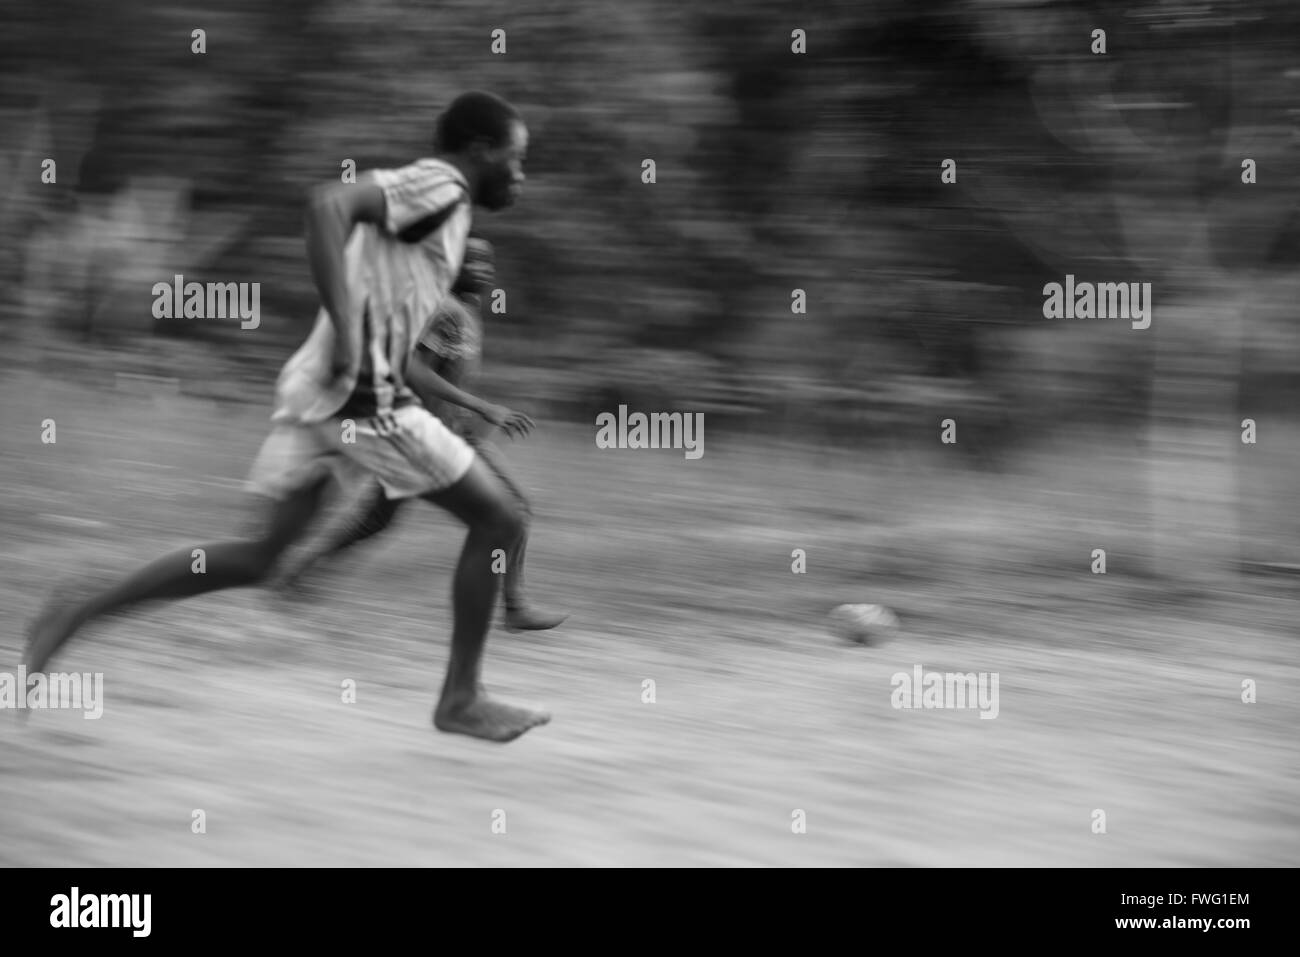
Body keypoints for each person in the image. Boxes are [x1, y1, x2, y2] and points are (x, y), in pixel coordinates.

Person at [24, 91, 550, 743]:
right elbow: (327, 204)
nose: (521, 175)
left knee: (260, 558)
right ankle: (460, 697)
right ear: (479, 151)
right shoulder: (440, 186)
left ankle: (78, 608)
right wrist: (358, 345)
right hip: (364, 399)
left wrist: (355, 342)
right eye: (517, 159)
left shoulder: (444, 205)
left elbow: (372, 270)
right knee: (499, 516)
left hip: (320, 387)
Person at [277, 237, 567, 633]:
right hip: (425, 438)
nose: (483, 270)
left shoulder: (464, 312)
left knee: (376, 522)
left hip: (444, 435)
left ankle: (299, 572)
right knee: (510, 511)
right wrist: (482, 407)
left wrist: (468, 418)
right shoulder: (444, 311)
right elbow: (413, 370)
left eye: (488, 264)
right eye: (473, 262)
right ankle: (513, 608)